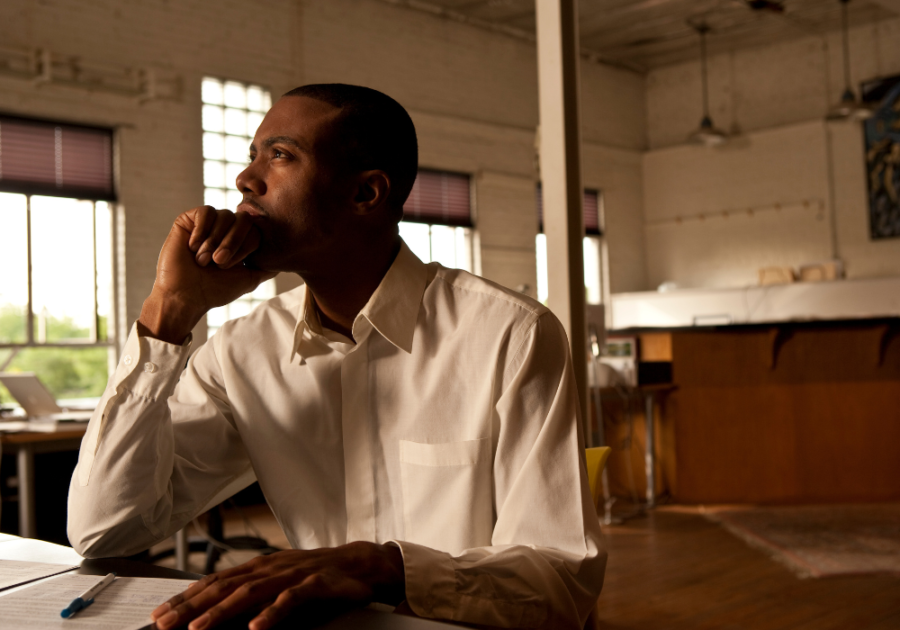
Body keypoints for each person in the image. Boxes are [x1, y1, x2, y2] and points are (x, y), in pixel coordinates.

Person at [67, 84, 606, 630]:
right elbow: (105, 532)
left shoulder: (510, 334)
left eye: (280, 156)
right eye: (253, 155)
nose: (246, 180)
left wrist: (384, 567)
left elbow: (561, 579)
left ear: (366, 194)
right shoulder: (240, 353)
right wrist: (170, 311)